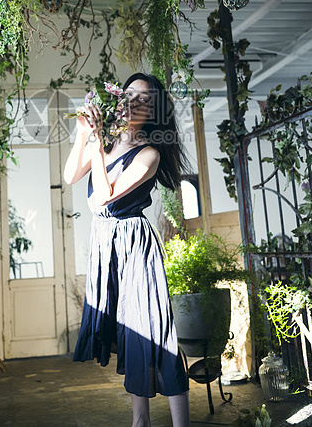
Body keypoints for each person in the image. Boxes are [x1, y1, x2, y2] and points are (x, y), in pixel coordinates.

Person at [64, 73, 190, 427]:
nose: (132, 101)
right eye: (128, 93)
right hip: (105, 242)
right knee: (129, 333)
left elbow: (105, 195)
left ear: (152, 111)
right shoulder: (106, 143)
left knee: (153, 329)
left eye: (142, 98)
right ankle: (141, 421)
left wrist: (99, 144)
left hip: (134, 243)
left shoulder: (148, 153)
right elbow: (72, 174)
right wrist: (85, 136)